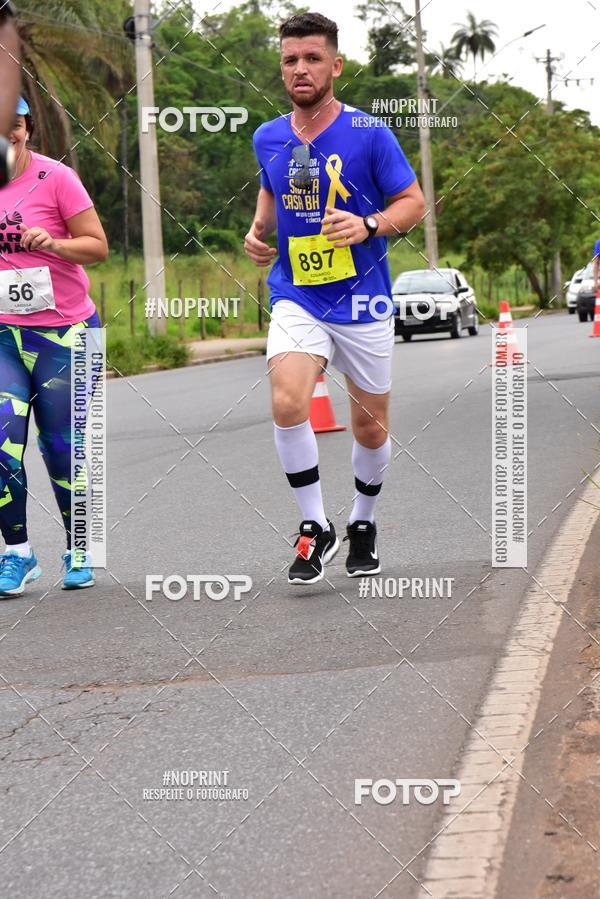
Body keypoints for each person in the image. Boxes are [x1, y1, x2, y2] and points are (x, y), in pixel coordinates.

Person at [245, 13, 424, 585]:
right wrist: (258, 232)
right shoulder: (268, 136)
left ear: (336, 66)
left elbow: (413, 202)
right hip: (296, 295)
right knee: (287, 401)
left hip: (364, 301)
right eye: (290, 60)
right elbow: (270, 193)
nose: (300, 69)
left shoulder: (370, 132)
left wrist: (369, 224)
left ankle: (363, 523)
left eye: (312, 58)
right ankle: (316, 526)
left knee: (370, 428)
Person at [0, 96, 108, 596]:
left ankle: (80, 546)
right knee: (2, 443)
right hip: (3, 334)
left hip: (66, 331)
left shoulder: (55, 178)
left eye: (14, 126)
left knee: (64, 448)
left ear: (27, 128)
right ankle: (18, 554)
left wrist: (55, 244)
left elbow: (97, 246)